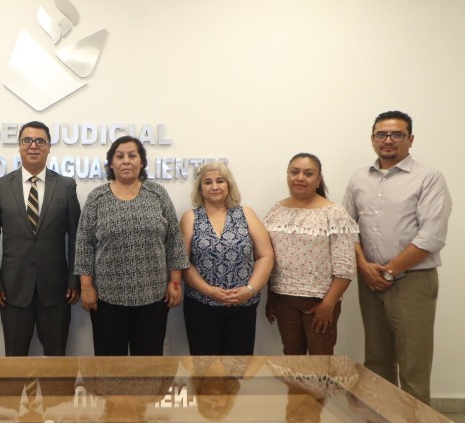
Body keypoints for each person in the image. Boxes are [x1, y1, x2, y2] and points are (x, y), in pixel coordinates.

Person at [342, 110, 452, 405]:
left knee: (413, 366)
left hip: (412, 281)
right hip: (370, 280)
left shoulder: (428, 178)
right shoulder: (359, 178)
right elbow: (346, 228)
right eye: (381, 134)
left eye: (396, 134)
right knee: (376, 362)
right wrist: (364, 266)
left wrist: (389, 271)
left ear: (410, 139)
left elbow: (431, 236)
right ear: (372, 139)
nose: (388, 140)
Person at [75, 135, 188, 356]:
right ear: (111, 163)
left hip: (153, 297)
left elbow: (174, 239)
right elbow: (84, 244)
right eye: (120, 156)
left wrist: (175, 282)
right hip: (107, 299)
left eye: (132, 155)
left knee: (148, 365)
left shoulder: (157, 194)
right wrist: (86, 287)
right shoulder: (97, 197)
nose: (126, 161)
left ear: (142, 162)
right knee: (110, 366)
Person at [0, 121, 80, 356]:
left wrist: (74, 280)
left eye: (40, 141)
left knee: (57, 359)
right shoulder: (0, 186)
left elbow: (77, 239)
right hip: (12, 289)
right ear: (19, 146)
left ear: (49, 147)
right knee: (15, 359)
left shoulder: (66, 186)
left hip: (57, 289)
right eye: (27, 140)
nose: (33, 146)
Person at [264, 153, 359, 356]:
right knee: (292, 358)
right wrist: (270, 297)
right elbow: (268, 258)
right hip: (283, 299)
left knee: (321, 361)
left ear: (318, 179)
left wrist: (328, 304)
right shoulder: (276, 210)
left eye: (308, 174)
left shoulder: (334, 213)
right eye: (294, 172)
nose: (300, 178)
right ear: (287, 175)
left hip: (319, 302)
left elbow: (346, 267)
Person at [180, 162, 273, 356]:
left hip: (242, 304)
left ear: (229, 184)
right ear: (200, 188)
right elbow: (183, 262)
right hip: (201, 305)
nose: (214, 186)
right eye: (208, 182)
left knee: (237, 366)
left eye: (220, 181)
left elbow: (265, 255)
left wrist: (250, 290)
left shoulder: (246, 214)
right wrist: (210, 291)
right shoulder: (190, 218)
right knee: (205, 367)